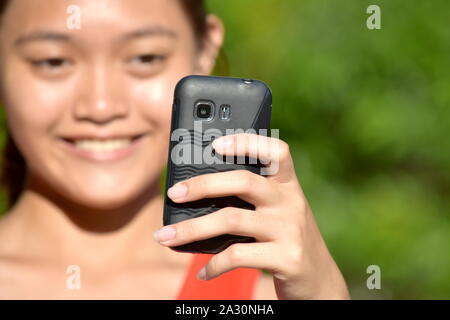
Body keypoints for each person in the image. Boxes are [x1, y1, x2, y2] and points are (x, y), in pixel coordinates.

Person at [0, 0, 350, 299]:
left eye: (145, 57)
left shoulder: (271, 296)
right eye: (53, 61)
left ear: (205, 50)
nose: (101, 105)